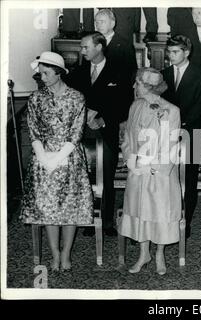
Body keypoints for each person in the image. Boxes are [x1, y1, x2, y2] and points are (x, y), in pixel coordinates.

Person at [20, 51, 93, 272]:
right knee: (49, 210)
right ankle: (54, 254)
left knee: (69, 209)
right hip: (43, 160)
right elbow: (33, 131)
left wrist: (59, 157)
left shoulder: (77, 97)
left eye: (46, 73)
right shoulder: (36, 98)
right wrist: (44, 158)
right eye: (40, 73)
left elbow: (76, 132)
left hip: (70, 159)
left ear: (59, 73)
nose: (42, 77)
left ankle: (66, 253)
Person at [118, 68, 181, 275]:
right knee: (140, 212)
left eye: (137, 83)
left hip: (159, 173)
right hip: (137, 170)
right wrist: (130, 160)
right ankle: (144, 254)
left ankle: (160, 254)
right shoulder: (135, 105)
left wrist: (152, 167)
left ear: (147, 86)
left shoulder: (171, 110)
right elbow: (127, 138)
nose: (134, 86)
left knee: (159, 213)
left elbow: (170, 145)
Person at [66, 32, 127, 237]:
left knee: (106, 177)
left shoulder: (118, 70)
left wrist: (104, 119)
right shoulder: (78, 72)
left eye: (85, 47)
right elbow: (71, 100)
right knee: (85, 177)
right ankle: (88, 218)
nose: (82, 51)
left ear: (99, 47)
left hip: (105, 132)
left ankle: (107, 222)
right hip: (82, 133)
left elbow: (124, 103)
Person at [161, 35, 201, 239]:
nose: (171, 56)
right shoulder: (163, 75)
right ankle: (167, 218)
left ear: (186, 52)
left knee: (190, 180)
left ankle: (185, 221)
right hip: (167, 134)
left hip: (192, 133)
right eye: (169, 52)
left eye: (175, 52)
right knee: (167, 177)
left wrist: (181, 126)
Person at [95, 8, 137, 82]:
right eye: (97, 22)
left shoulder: (125, 46)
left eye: (102, 22)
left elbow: (131, 74)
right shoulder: (92, 43)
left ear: (112, 24)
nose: (99, 25)